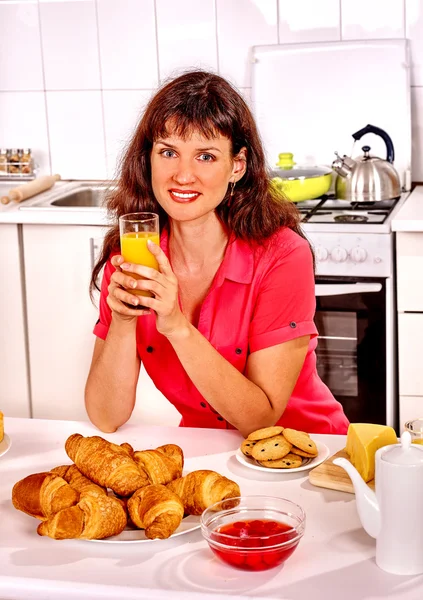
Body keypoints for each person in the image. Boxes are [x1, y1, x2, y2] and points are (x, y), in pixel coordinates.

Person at [85, 70, 349, 437]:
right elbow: (105, 417)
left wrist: (176, 325)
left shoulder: (283, 255)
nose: (182, 175)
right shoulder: (133, 257)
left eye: (205, 157)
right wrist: (123, 321)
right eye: (168, 152)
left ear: (236, 166)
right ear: (148, 159)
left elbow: (260, 419)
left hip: (310, 451)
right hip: (212, 453)